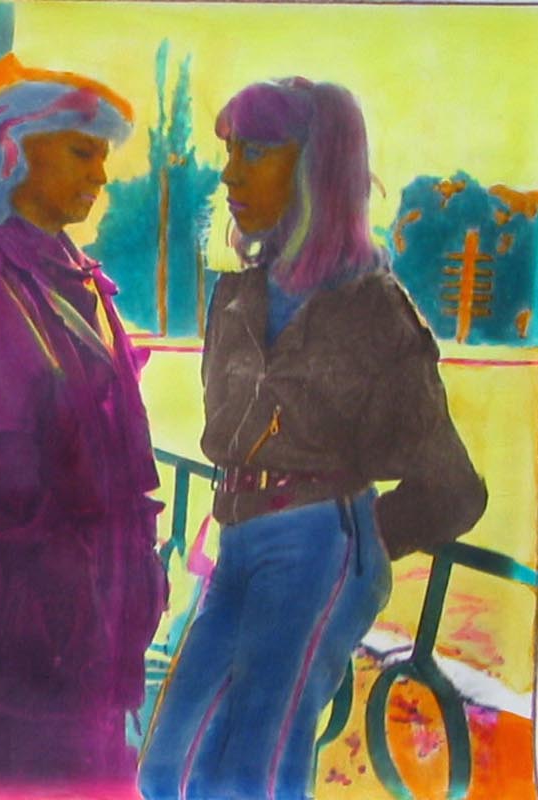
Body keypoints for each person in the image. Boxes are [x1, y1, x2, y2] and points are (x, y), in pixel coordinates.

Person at [138, 77, 486, 800]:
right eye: (230, 150)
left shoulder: (372, 309)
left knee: (256, 767)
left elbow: (452, 490)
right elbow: (228, 436)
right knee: (166, 764)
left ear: (316, 168)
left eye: (255, 152)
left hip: (316, 547)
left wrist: (349, 540)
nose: (230, 174)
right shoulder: (236, 295)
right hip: (235, 542)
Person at [0, 55, 166, 789]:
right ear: (12, 149)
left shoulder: (74, 271)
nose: (100, 176)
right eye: (81, 151)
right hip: (15, 616)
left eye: (103, 157)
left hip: (86, 619)